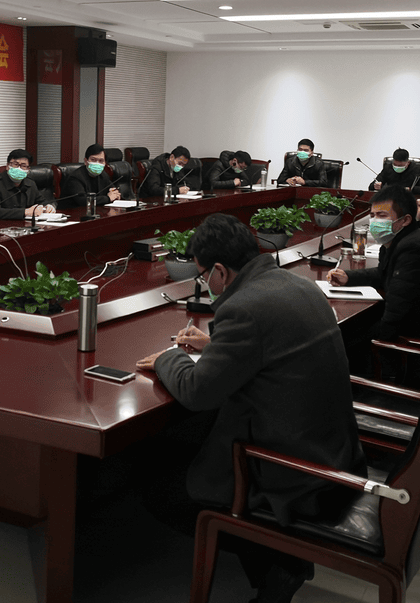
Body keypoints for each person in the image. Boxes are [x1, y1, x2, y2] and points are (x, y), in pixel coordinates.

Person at [136, 213, 365, 602]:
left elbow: (196, 392)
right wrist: (216, 346)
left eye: (202, 275)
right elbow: (273, 349)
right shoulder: (298, 285)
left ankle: (279, 561)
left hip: (292, 474)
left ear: (220, 271)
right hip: (335, 452)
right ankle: (279, 560)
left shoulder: (243, 308)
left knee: (157, 484)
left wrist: (167, 358)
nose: (205, 284)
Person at [328, 185, 420, 372]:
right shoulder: (399, 240)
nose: (375, 221)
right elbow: (385, 273)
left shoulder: (413, 248)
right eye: (372, 215)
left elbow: (394, 316)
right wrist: (348, 277)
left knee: (341, 341)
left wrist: (373, 344)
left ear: (405, 220)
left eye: (382, 215)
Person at [0, 149, 56, 221]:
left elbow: (41, 201)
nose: (19, 168)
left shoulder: (30, 183)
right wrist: (25, 212)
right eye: (15, 164)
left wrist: (48, 206)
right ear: (7, 166)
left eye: (23, 166)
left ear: (28, 169)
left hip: (22, 226)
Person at [59, 143, 122, 208]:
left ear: (105, 163)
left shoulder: (103, 175)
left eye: (101, 161)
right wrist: (108, 198)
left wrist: (115, 194)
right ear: (86, 161)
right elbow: (83, 201)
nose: (97, 163)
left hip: (95, 211)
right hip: (72, 212)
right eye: (93, 160)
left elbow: (112, 189)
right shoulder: (76, 177)